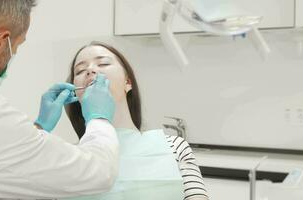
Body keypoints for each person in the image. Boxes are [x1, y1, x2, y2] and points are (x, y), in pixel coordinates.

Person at [0, 1, 119, 199]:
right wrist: (99, 118)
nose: (91, 71)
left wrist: (38, 129)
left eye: (104, 63)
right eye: (17, 47)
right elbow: (99, 173)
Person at [65, 41, 209, 200]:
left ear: (128, 82)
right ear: (75, 92)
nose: (90, 70)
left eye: (103, 63)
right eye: (80, 70)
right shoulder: (65, 159)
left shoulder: (174, 147)